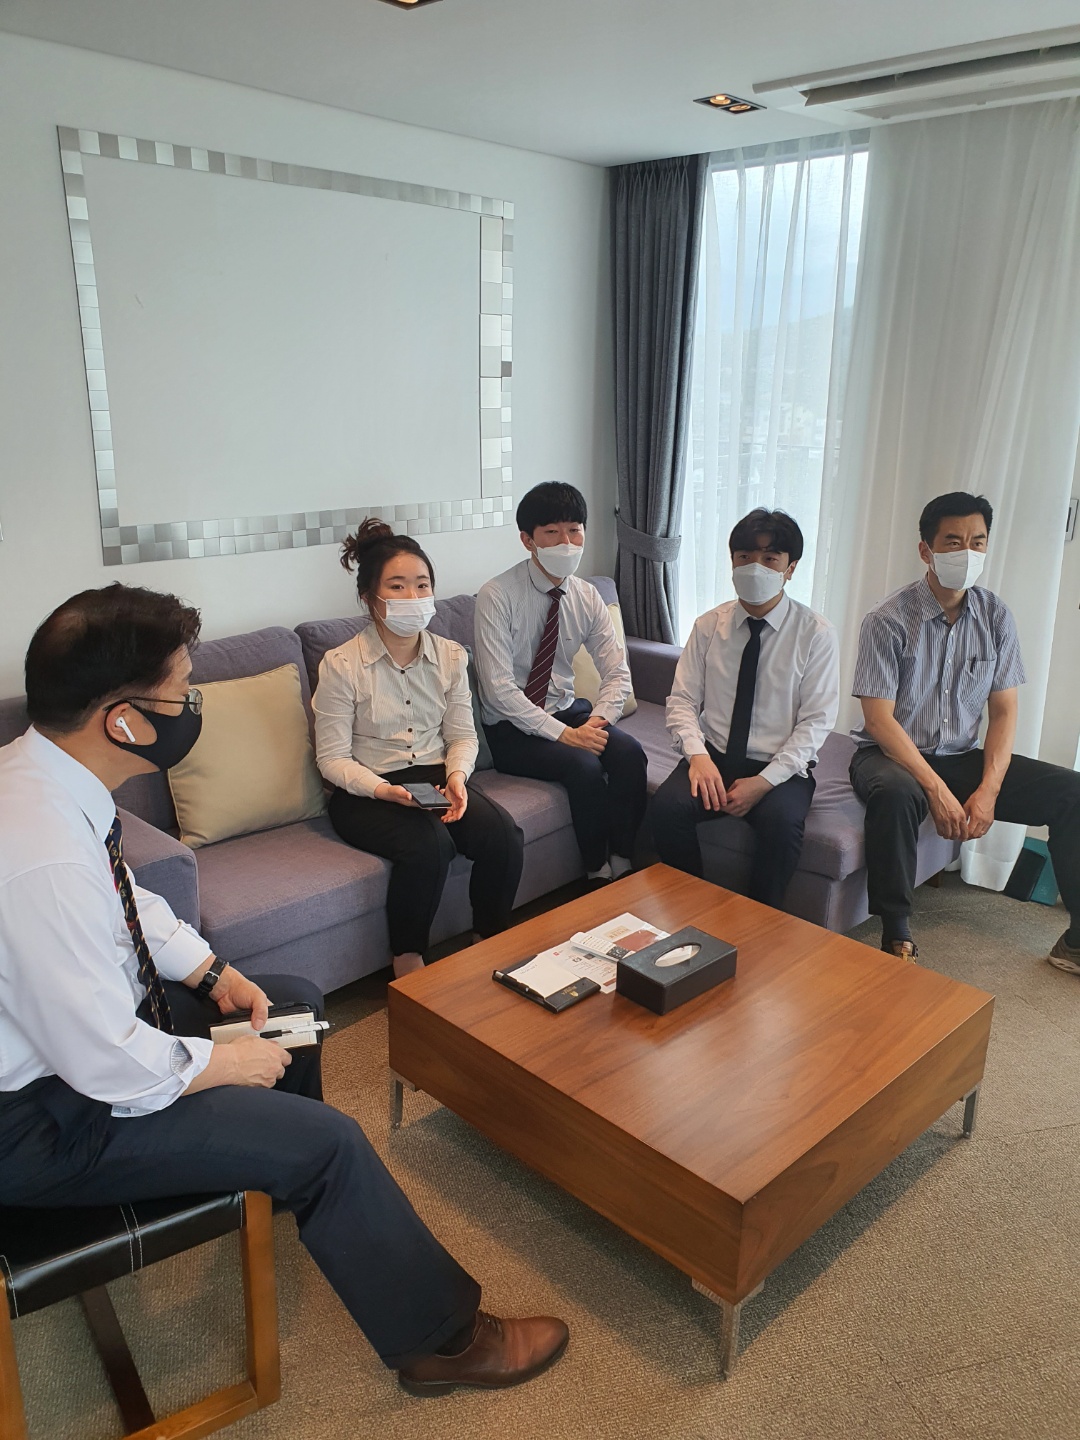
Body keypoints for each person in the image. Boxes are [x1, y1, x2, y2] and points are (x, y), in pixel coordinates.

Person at [0, 583, 568, 1396]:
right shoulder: (41, 853)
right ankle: (441, 1344)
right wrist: (223, 1066)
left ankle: (299, 1197)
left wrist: (211, 970)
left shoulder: (40, 778)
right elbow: (102, 1060)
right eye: (182, 692)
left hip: (75, 1060)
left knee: (293, 1001)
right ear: (123, 720)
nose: (192, 706)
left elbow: (125, 900)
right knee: (329, 1141)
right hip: (44, 1124)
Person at [850, 491, 1080, 969]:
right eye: (953, 542)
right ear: (926, 550)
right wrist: (935, 789)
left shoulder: (995, 616)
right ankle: (896, 935)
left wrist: (989, 789)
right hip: (889, 753)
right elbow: (878, 721)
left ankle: (1076, 941)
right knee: (897, 793)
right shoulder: (887, 620)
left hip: (960, 755)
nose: (968, 553)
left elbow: (1004, 711)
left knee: (1071, 793)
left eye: (978, 542)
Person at [314, 521, 523, 979]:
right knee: (429, 845)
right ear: (369, 597)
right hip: (366, 791)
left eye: (422, 584)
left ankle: (488, 940)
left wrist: (457, 778)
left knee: (503, 834)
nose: (412, 596)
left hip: (434, 779)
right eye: (397, 586)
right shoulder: (342, 665)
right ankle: (408, 962)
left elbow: (462, 736)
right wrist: (383, 790)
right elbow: (331, 759)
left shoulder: (451, 656)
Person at [651, 509, 840, 907]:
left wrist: (764, 782)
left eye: (770, 559)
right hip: (714, 755)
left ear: (790, 568)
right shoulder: (709, 626)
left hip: (780, 767)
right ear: (732, 562)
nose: (756, 567)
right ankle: (692, 907)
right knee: (667, 808)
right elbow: (682, 700)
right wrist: (697, 757)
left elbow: (816, 722)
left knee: (781, 826)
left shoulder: (815, 634)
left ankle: (759, 921)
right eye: (745, 557)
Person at [474, 482, 648, 882]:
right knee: (584, 766)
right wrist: (566, 737)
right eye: (552, 532)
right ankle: (596, 871)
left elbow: (617, 671)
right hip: (512, 729)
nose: (566, 542)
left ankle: (623, 859)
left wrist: (597, 723)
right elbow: (498, 691)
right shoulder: (497, 595)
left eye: (574, 530)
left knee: (629, 753)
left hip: (569, 712)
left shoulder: (586, 596)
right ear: (528, 540)